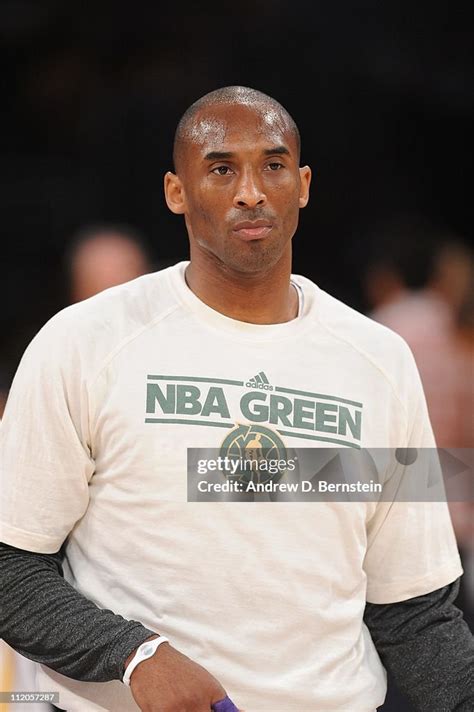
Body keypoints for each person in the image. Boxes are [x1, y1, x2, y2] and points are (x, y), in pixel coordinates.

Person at [0, 86, 472, 712]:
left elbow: (413, 612)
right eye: (222, 169)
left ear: (302, 184)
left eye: (272, 166)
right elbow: (11, 570)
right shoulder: (84, 343)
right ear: (176, 192)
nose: (251, 190)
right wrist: (133, 655)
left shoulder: (379, 360)